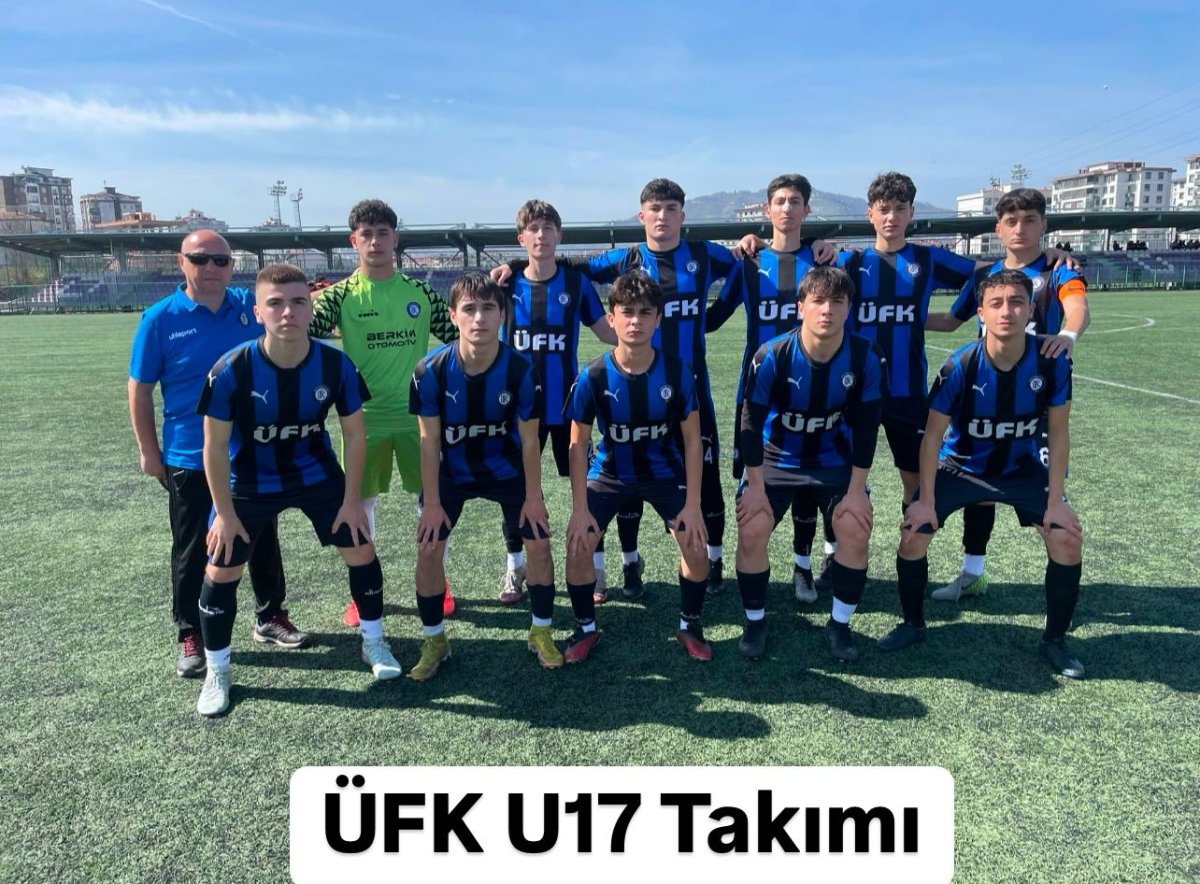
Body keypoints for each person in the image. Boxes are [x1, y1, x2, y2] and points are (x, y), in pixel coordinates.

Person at [194, 264, 403, 717]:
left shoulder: (335, 364)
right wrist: (224, 514)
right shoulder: (231, 370)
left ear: (311, 309)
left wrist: (351, 501)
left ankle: (373, 642)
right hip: (249, 480)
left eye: (297, 302)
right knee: (221, 567)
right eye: (275, 303)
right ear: (258, 312)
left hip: (315, 473)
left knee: (361, 547)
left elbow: (355, 436)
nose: (287, 311)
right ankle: (218, 670)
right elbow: (213, 447)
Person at [880, 269, 1085, 679]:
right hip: (961, 467)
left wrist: (1056, 501)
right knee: (914, 534)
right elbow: (932, 438)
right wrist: (924, 501)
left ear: (1031, 310)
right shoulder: (960, 365)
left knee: (1066, 537)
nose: (1007, 311)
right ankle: (912, 624)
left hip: (1021, 468)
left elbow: (1060, 434)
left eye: (1016, 302)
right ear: (981, 313)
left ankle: (1055, 641)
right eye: (996, 303)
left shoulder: (1052, 363)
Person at [128, 230, 304, 680]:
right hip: (189, 455)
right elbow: (140, 390)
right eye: (200, 259)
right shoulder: (159, 319)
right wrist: (149, 451)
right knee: (192, 549)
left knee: (261, 537)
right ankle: (191, 633)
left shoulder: (249, 306)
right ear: (181, 262)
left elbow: (295, 305)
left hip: (253, 452)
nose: (211, 268)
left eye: (221, 261)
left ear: (232, 266)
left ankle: (270, 615)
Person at [926, 188, 1090, 601]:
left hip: (1037, 401)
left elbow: (1077, 307)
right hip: (984, 394)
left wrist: (1068, 335)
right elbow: (951, 321)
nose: (1021, 229)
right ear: (998, 229)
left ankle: (1060, 579)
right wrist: (898, 320)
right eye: (1011, 221)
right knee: (978, 482)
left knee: (1045, 494)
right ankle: (973, 573)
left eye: (1030, 220)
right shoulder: (985, 276)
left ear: (1044, 225)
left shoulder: (1058, 270)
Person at [309, 199, 459, 624]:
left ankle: (437, 581)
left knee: (431, 503)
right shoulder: (338, 297)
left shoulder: (420, 294)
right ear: (353, 241)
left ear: (396, 239)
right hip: (363, 422)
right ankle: (362, 593)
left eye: (383, 233)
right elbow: (302, 328)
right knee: (359, 507)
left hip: (420, 421)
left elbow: (458, 336)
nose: (375, 241)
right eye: (367, 234)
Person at [408, 274, 561, 681]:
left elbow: (530, 441)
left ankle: (541, 631)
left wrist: (534, 496)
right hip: (451, 474)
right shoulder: (430, 371)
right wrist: (432, 504)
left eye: (488, 309)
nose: (479, 318)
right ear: (453, 316)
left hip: (506, 470)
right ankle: (434, 640)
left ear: (502, 316)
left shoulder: (521, 370)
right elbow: (429, 442)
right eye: (470, 309)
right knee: (428, 547)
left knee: (539, 541)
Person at [734, 267, 884, 662]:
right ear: (801, 307)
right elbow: (749, 424)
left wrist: (857, 491)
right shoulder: (772, 355)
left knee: (854, 528)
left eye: (837, 301)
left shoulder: (865, 356)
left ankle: (840, 624)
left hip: (833, 458)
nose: (827, 310)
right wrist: (755, 487)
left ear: (849, 308)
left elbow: (867, 428)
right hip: (776, 458)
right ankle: (755, 621)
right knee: (752, 527)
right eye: (818, 301)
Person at [561, 272, 711, 662]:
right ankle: (585, 628)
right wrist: (579, 510)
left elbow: (693, 440)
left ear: (658, 319)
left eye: (645, 313)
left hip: (663, 472)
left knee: (697, 545)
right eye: (626, 312)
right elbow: (577, 447)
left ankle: (690, 624)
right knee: (578, 545)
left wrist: (693, 505)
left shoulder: (677, 373)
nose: (635, 321)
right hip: (610, 473)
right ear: (611, 318)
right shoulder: (593, 375)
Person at [707, 173, 828, 604]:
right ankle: (739, 559)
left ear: (806, 209)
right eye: (779, 201)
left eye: (795, 201)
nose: (787, 208)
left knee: (806, 479)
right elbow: (715, 316)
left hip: (812, 386)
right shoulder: (749, 262)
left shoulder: (822, 260)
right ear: (767, 210)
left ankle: (803, 567)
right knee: (752, 474)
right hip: (757, 387)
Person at [496, 200, 616, 606]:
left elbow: (606, 333)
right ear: (522, 238)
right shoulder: (505, 285)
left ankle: (596, 568)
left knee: (589, 488)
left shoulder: (576, 285)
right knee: (515, 492)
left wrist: (650, 342)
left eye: (548, 228)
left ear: (559, 236)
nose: (541, 235)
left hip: (568, 409)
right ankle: (515, 567)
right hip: (517, 410)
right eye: (534, 229)